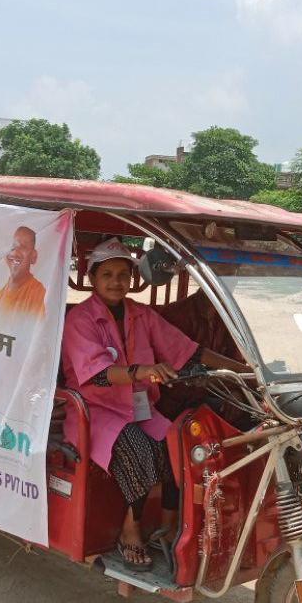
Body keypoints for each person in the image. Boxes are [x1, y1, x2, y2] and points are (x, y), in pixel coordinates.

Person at [61, 238, 248, 570]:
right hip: (95, 412)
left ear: (132, 278)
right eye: (107, 275)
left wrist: (246, 371)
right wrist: (142, 371)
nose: (116, 282)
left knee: (179, 446)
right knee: (140, 449)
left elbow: (189, 351)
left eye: (123, 274)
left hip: (138, 409)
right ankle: (130, 529)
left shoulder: (141, 314)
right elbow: (98, 375)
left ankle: (168, 527)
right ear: (93, 278)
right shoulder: (80, 319)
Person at [0, 225, 46, 318]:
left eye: (23, 247)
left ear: (33, 256)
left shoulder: (37, 292)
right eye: (12, 247)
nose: (15, 252)